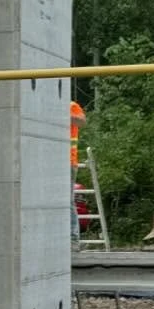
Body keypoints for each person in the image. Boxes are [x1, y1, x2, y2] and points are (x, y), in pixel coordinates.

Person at [69, 97, 86, 242]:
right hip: (54, 162)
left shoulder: (71, 105)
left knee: (67, 200)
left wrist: (65, 115)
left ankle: (73, 238)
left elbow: (82, 121)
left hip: (68, 161)